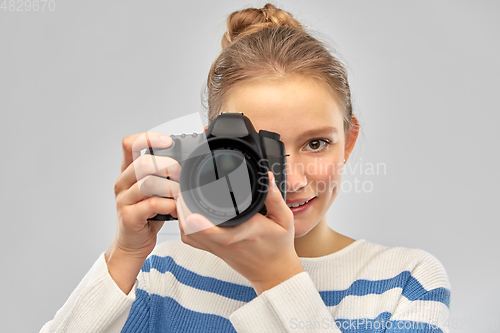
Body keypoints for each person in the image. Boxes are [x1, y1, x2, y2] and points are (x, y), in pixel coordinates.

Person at [41, 3, 450, 333]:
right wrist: (124, 257)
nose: (291, 179)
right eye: (259, 148)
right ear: (215, 150)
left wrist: (277, 277)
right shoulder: (166, 275)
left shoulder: (408, 283)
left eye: (316, 143)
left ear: (350, 141)